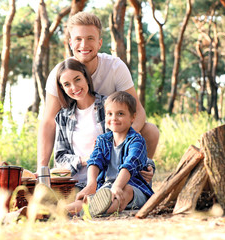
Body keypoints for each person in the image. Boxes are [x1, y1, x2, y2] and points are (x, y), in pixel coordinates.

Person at [38, 11, 159, 182]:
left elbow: (137, 112)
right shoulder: (60, 74)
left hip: (112, 134)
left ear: (100, 42)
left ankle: (138, 177)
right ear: (70, 42)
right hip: (78, 146)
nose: (84, 44)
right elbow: (49, 122)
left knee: (151, 131)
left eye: (90, 38)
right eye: (78, 39)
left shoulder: (115, 67)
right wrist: (41, 170)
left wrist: (117, 144)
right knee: (55, 182)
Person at [66, 91, 153, 216]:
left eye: (120, 114)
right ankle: (54, 212)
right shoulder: (103, 139)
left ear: (133, 117)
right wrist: (91, 184)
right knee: (87, 198)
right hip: (106, 189)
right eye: (109, 114)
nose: (114, 118)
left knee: (125, 190)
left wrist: (117, 186)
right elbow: (94, 161)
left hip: (133, 188)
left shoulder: (136, 140)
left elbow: (130, 164)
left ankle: (91, 211)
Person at [54, 58, 107, 189]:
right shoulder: (63, 116)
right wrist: (84, 160)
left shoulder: (108, 106)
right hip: (74, 184)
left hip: (105, 181)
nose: (74, 88)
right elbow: (59, 159)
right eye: (67, 84)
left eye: (77, 79)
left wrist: (147, 164)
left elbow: (125, 142)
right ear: (62, 88)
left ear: (86, 77)